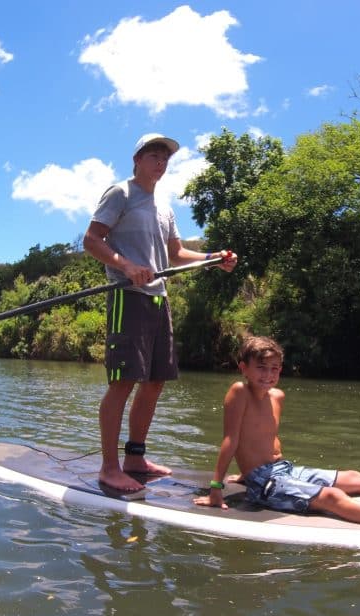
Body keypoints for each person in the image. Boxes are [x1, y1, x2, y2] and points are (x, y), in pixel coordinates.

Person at [83, 132, 237, 492]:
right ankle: (109, 467)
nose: (160, 162)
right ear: (137, 159)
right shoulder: (121, 193)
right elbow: (92, 240)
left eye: (164, 157)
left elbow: (176, 255)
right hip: (128, 297)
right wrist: (126, 266)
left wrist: (213, 259)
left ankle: (134, 457)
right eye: (153, 155)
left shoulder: (165, 208)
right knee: (123, 382)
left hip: (158, 299)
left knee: (154, 383)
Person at [194, 336, 360, 529]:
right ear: (243, 368)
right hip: (262, 481)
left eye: (274, 369)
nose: (268, 375)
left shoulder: (278, 397)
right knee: (331, 496)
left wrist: (244, 474)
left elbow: (266, 441)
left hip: (282, 469)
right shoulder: (239, 392)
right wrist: (217, 488)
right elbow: (231, 439)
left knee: (353, 477)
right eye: (261, 368)